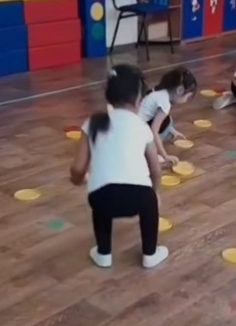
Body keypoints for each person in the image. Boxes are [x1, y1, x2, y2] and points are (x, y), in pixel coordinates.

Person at [70, 64, 169, 268]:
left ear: (109, 95)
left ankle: (103, 253)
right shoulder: (142, 127)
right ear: (138, 99)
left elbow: (78, 168)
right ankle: (150, 253)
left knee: (101, 199)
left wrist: (78, 180)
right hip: (138, 199)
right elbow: (155, 170)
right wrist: (156, 194)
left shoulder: (93, 122)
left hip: (102, 198)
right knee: (149, 202)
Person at [139, 66, 197, 164]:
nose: (185, 101)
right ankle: (147, 155)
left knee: (168, 121)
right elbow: (154, 131)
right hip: (136, 131)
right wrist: (165, 156)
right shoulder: (165, 103)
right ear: (180, 90)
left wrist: (174, 132)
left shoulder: (158, 92)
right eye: (187, 97)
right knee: (162, 128)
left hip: (130, 124)